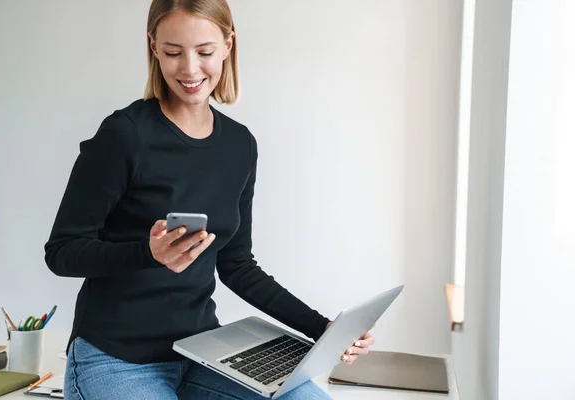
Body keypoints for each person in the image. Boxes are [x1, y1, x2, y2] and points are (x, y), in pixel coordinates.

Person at [44, 0, 374, 399]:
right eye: (172, 52)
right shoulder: (124, 135)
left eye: (204, 52)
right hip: (116, 359)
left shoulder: (240, 144)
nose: (189, 69)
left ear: (227, 46)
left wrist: (322, 330)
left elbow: (237, 265)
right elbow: (62, 252)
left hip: (199, 353)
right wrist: (149, 253)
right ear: (153, 47)